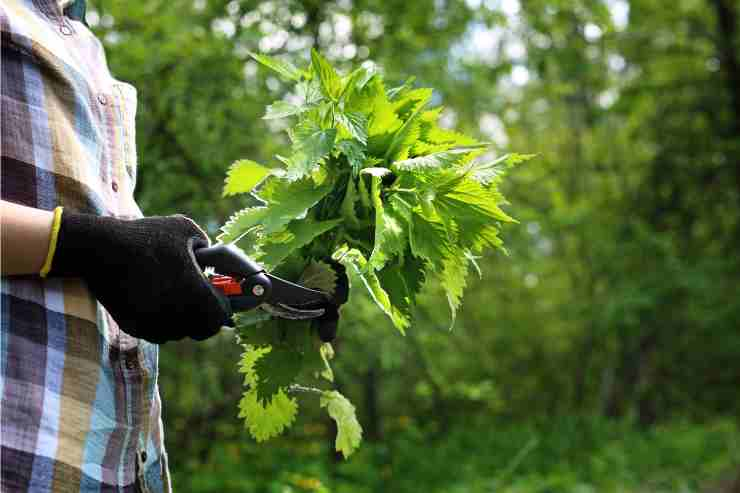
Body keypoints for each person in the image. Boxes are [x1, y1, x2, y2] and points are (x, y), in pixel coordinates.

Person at [0, 1, 344, 491]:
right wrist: (90, 246)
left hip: (114, 464)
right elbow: (103, 248)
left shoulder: (83, 41)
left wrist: (267, 285)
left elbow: (123, 260)